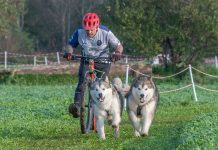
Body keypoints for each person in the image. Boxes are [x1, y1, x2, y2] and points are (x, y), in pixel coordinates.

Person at [65, 12, 123, 118]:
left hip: (103, 61)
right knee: (82, 81)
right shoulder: (79, 32)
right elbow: (70, 45)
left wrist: (117, 53)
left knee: (103, 85)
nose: (89, 32)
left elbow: (119, 46)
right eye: (87, 30)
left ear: (97, 27)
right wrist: (69, 52)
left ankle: (107, 107)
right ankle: (77, 106)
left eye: (92, 29)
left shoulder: (105, 32)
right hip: (86, 60)